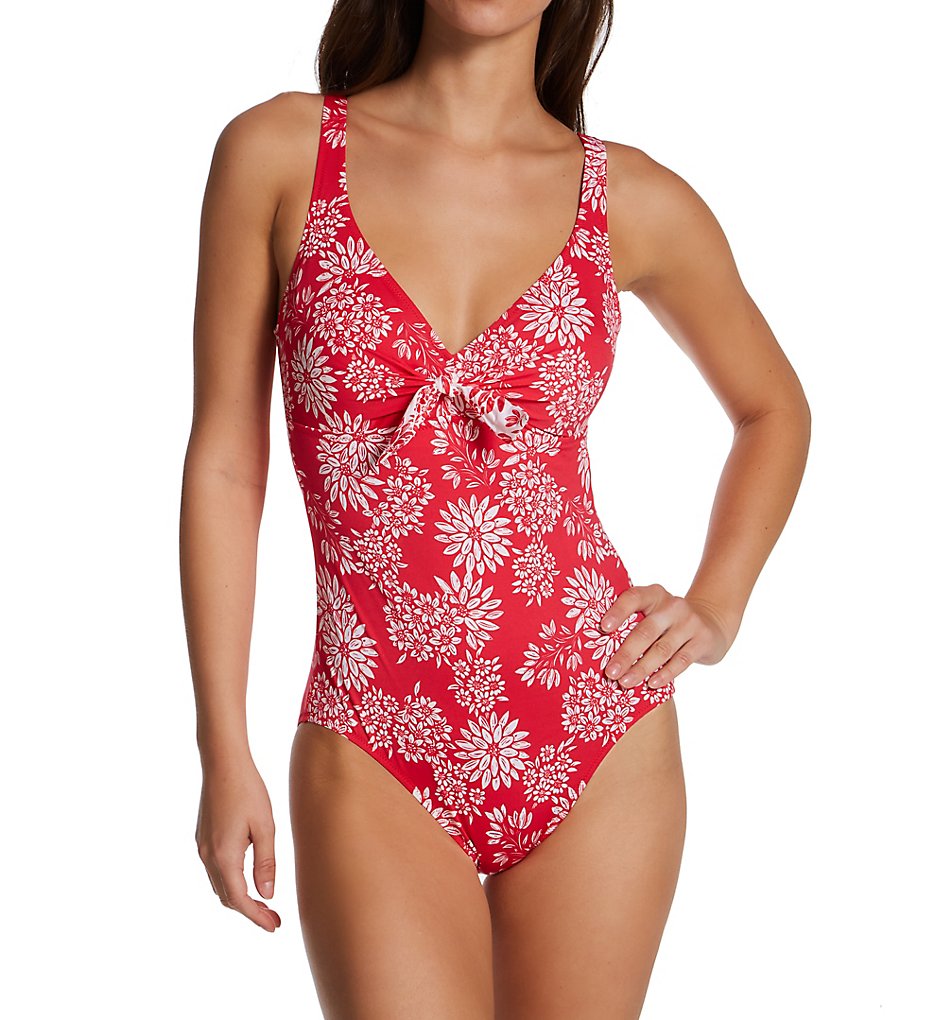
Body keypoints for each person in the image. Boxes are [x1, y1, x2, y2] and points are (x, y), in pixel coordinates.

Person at [180, 1, 811, 1016]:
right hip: (372, 731)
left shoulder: (631, 198)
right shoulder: (281, 152)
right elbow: (224, 464)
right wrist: (223, 748)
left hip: (597, 727)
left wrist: (717, 603)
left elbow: (772, 410)